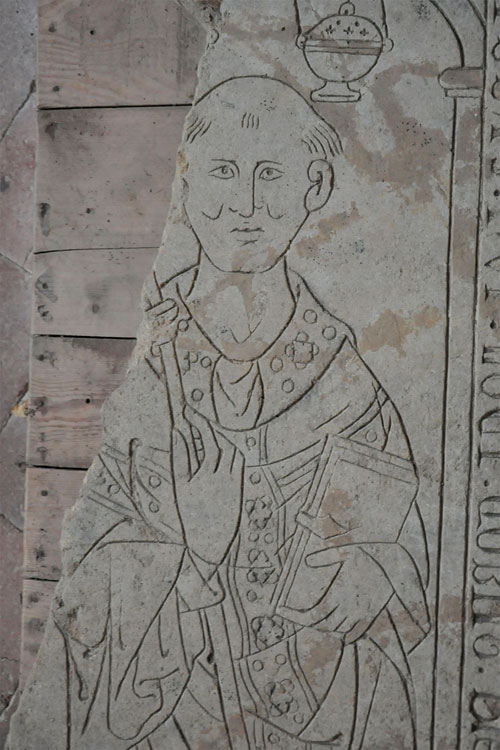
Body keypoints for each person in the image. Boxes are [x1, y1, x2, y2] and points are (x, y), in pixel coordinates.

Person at [8, 76, 430, 750]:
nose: (246, 204)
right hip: (165, 703)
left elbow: (401, 555)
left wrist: (369, 575)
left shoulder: (346, 384)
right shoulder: (156, 368)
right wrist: (197, 553)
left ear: (315, 187)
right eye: (224, 172)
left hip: (315, 703)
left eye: (271, 174)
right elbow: (87, 581)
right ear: (186, 180)